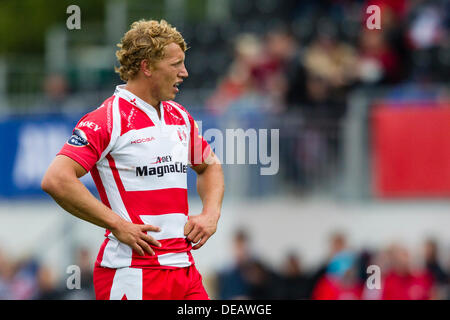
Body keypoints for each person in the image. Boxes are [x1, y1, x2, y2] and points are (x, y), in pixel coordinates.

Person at [41, 19, 224, 300]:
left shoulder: (179, 116)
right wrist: (117, 224)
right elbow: (56, 179)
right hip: (132, 272)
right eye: (175, 64)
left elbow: (209, 166)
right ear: (147, 66)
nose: (184, 72)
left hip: (185, 271)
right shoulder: (109, 118)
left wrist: (211, 214)